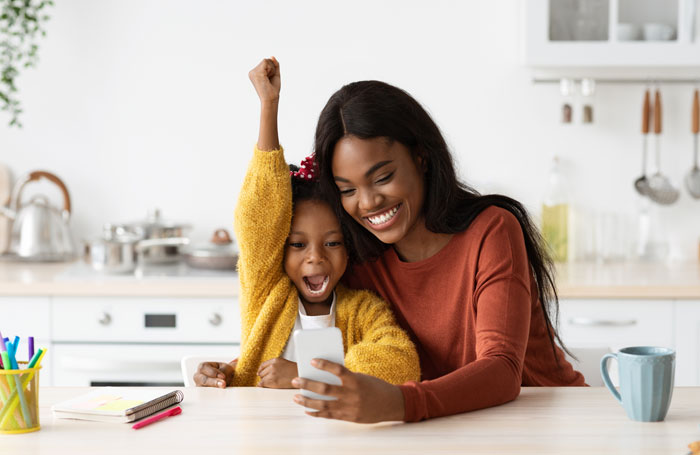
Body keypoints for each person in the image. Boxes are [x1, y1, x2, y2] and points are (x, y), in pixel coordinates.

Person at [289, 79, 586, 423]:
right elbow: (289, 309)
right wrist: (239, 368)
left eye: (383, 177)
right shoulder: (358, 257)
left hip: (547, 420)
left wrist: (400, 403)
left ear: (421, 157)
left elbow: (502, 370)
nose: (368, 202)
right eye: (348, 189)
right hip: (448, 428)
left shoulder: (492, 231)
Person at [193, 58, 420, 390]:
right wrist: (269, 106)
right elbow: (260, 219)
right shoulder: (266, 294)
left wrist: (305, 375)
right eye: (298, 245)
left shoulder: (363, 310)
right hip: (268, 437)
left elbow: (401, 362)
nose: (316, 257)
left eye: (332, 242)